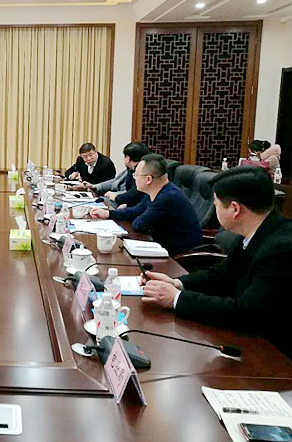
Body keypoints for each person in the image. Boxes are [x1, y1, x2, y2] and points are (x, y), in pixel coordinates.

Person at [140, 167, 291, 358]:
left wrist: (177, 299)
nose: (215, 210)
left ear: (235, 209)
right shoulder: (256, 231)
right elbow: (223, 274)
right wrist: (177, 283)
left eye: (216, 205)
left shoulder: (281, 249)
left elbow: (248, 313)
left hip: (275, 355)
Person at [89, 153, 203, 255]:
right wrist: (108, 213)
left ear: (148, 179)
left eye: (136, 175)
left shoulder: (167, 197)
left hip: (179, 256)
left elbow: (139, 224)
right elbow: (136, 210)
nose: (134, 178)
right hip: (161, 247)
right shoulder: (155, 191)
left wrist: (135, 216)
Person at [91, 142, 149, 208]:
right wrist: (95, 186)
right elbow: (115, 181)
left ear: (128, 158)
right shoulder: (130, 170)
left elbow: (136, 193)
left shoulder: (141, 173)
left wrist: (117, 197)